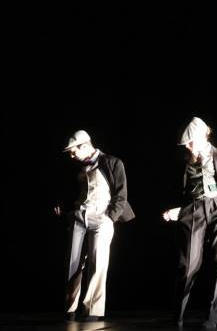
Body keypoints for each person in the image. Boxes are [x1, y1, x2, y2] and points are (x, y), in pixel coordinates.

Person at [162, 117, 217, 329]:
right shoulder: (184, 161)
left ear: (203, 136)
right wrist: (178, 211)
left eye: (190, 142)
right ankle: (177, 317)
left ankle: (212, 319)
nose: (188, 146)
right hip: (193, 209)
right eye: (186, 143)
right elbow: (176, 190)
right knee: (187, 265)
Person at [55, 130, 135, 322]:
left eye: (73, 151)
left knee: (98, 263)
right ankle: (70, 308)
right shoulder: (78, 167)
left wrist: (110, 217)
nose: (71, 156)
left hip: (101, 217)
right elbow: (73, 191)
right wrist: (66, 209)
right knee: (73, 263)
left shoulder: (112, 162)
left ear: (84, 146)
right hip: (79, 217)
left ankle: (92, 309)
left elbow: (121, 195)